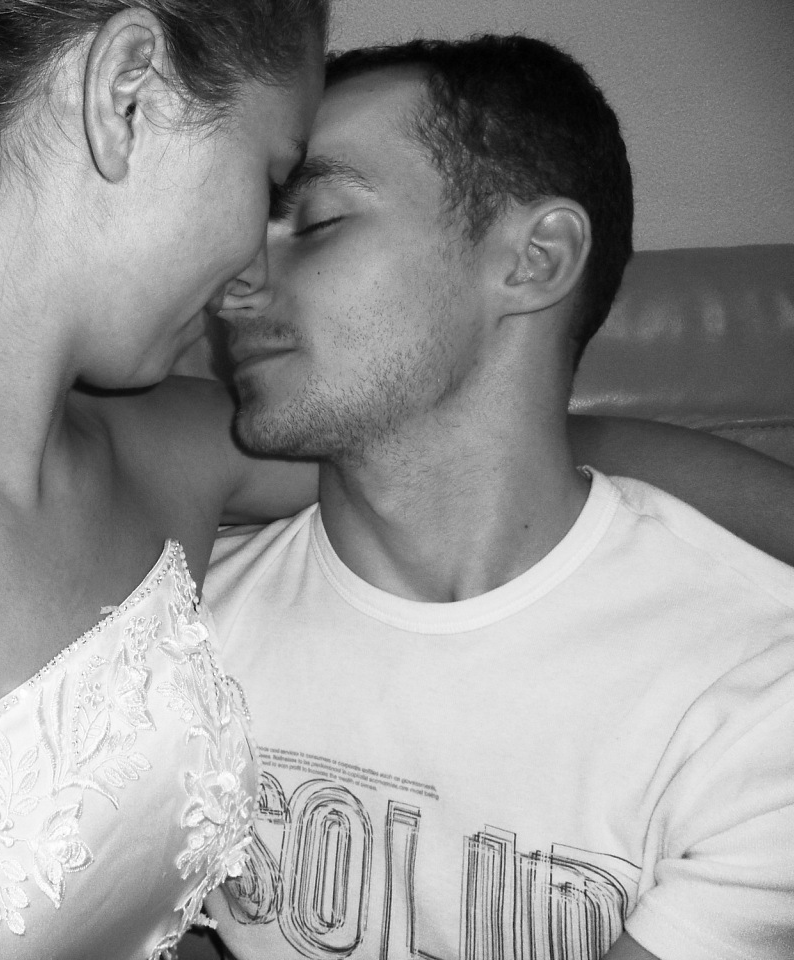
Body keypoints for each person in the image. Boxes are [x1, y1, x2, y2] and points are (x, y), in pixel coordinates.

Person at [0, 6, 791, 957]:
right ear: (125, 94)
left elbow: (499, 451)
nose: (245, 271)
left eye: (305, 207)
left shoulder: (161, 449)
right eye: (266, 176)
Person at [204, 35, 794, 960]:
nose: (231, 285)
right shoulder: (179, 632)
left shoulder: (751, 693)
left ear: (535, 259)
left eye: (315, 222)